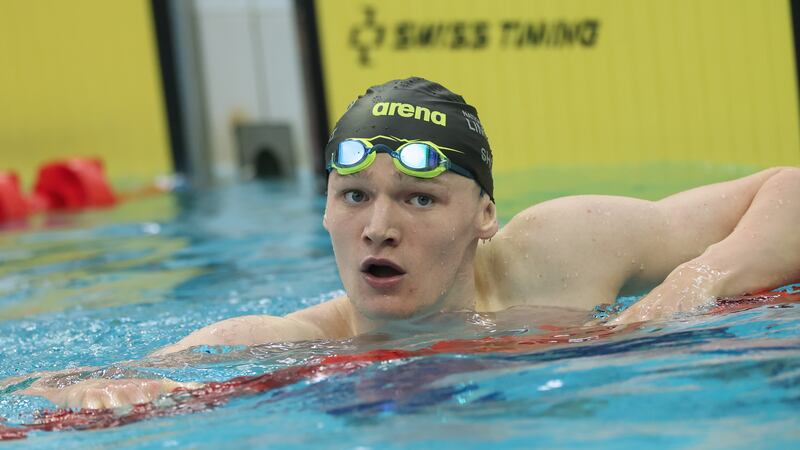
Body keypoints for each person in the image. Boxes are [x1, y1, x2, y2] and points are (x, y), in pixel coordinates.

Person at [12, 77, 800, 409]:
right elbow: (81, 387)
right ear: (324, 209)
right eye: (353, 195)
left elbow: (788, 186)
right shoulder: (275, 346)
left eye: (420, 198)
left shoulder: (565, 247)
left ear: (484, 214)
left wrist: (686, 291)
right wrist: (106, 394)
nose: (378, 227)